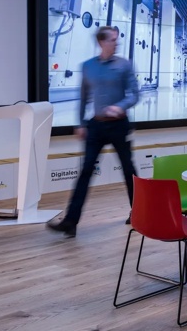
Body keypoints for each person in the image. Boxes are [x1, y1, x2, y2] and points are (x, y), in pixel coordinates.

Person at [48, 26, 139, 237]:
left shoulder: (124, 65)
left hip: (119, 125)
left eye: (117, 39)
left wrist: (120, 106)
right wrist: (81, 123)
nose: (116, 43)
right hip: (96, 126)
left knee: (129, 170)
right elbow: (83, 97)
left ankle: (138, 213)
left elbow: (134, 94)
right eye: (112, 40)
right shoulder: (88, 67)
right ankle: (70, 222)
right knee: (86, 172)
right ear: (101, 42)